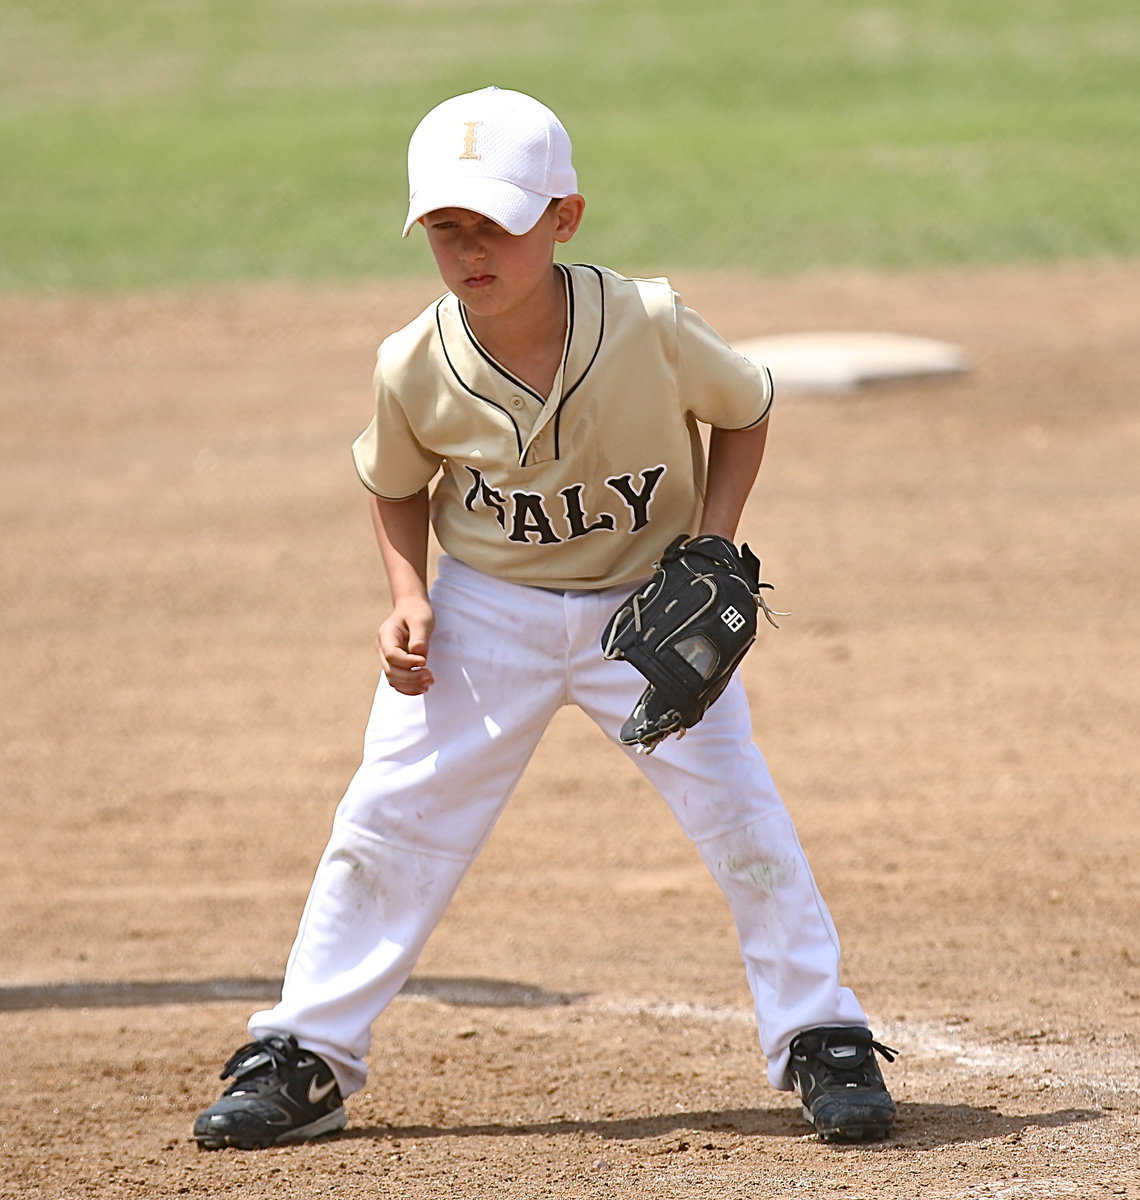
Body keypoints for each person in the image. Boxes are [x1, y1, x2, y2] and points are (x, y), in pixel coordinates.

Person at [192, 85, 896, 1151]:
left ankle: (822, 1035)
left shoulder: (647, 321)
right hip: (490, 614)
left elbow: (745, 406)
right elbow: (392, 480)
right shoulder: (414, 361)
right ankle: (304, 1053)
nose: (471, 250)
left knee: (739, 813)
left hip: (646, 605)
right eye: (447, 227)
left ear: (563, 217)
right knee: (389, 823)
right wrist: (409, 595)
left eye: (497, 224)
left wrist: (716, 542)